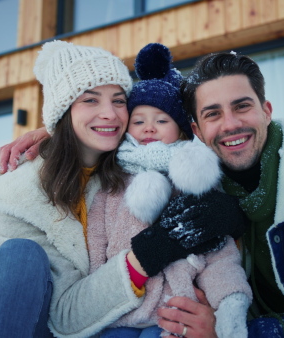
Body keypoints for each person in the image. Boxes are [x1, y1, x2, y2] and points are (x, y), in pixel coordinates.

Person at [1, 48, 284, 338]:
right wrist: (57, 134)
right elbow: (135, 134)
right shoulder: (192, 177)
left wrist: (232, 330)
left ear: (266, 109)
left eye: (242, 107)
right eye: (213, 114)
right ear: (196, 132)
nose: (230, 125)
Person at [0, 40, 245, 338]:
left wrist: (228, 214)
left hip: (125, 322)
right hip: (32, 325)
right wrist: (154, 249)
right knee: (19, 255)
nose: (110, 114)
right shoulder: (17, 198)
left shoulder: (130, 164)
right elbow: (63, 314)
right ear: (64, 112)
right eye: (90, 100)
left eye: (118, 101)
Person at [87, 43, 252, 338]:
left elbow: (219, 255)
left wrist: (230, 301)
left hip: (174, 315)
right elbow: (96, 243)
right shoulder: (112, 175)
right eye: (138, 121)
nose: (149, 128)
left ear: (183, 130)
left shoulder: (194, 182)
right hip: (119, 315)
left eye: (162, 120)